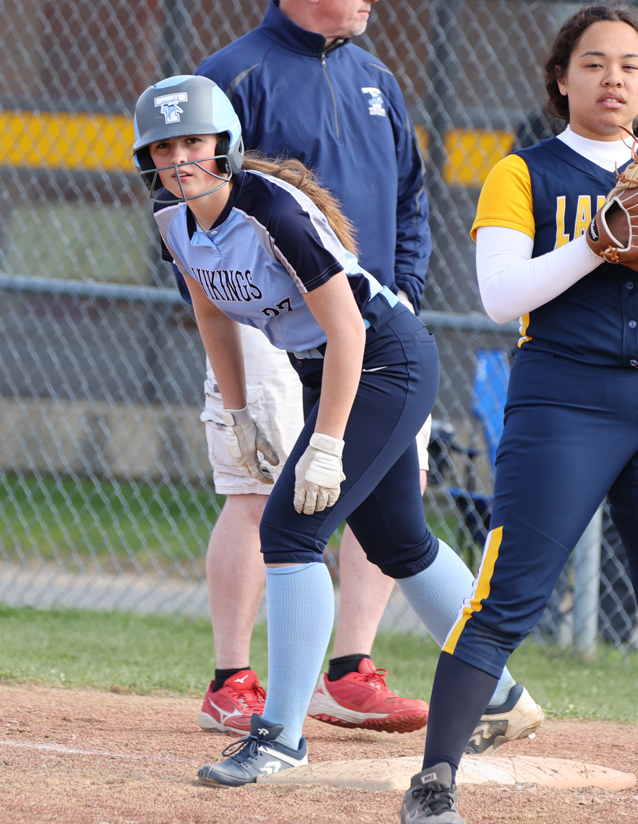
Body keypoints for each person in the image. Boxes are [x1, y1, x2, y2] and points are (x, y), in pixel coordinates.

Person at [399, 4, 638, 824]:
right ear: (562, 80)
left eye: (631, 66)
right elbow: (501, 296)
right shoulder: (522, 171)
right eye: (594, 63)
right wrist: (599, 239)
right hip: (564, 398)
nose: (613, 79)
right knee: (507, 593)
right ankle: (435, 782)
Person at [131, 74, 533, 786]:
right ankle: (499, 694)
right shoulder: (173, 220)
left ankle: (281, 737)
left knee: (289, 529)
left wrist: (327, 444)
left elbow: (349, 330)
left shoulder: (271, 210)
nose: (181, 160)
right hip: (328, 368)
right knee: (398, 541)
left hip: (384, 359)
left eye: (194, 142)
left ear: (227, 143)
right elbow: (212, 314)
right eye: (164, 149)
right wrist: (238, 412)